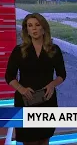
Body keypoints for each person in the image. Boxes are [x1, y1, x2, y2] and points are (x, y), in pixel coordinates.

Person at [5, 13, 66, 145]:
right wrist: (21, 89)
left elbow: (62, 75)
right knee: (29, 141)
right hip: (26, 100)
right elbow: (9, 76)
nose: (34, 29)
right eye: (30, 25)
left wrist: (52, 85)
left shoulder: (54, 50)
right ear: (26, 30)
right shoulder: (19, 51)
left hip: (47, 101)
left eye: (37, 25)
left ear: (44, 28)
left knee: (45, 139)